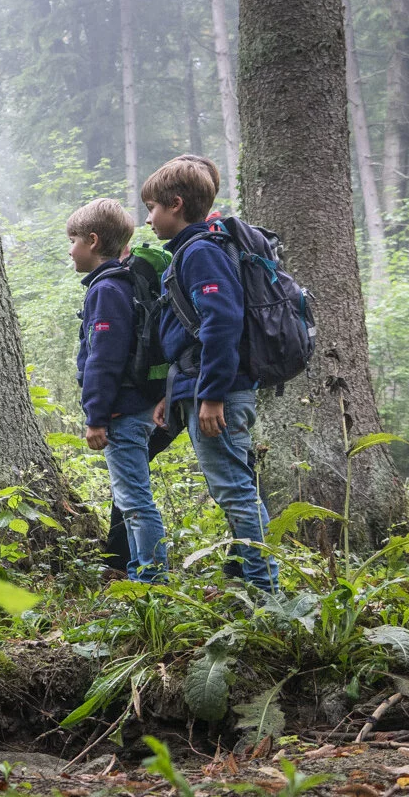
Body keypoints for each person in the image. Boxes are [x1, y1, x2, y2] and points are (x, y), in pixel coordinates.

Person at [144, 155, 280, 593]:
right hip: (200, 386)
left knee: (235, 490)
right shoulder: (192, 251)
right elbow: (188, 337)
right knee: (234, 485)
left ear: (177, 204)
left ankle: (265, 593)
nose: (148, 219)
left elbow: (222, 322)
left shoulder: (200, 252)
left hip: (221, 391)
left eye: (153, 209)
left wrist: (213, 395)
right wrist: (176, 392)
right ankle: (244, 580)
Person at [67, 198, 171, 583]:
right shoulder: (119, 284)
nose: (70, 248)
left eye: (74, 239)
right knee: (131, 497)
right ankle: (137, 570)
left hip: (122, 412)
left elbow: (103, 360)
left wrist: (96, 416)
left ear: (93, 241)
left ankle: (152, 579)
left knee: (134, 500)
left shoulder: (106, 290)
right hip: (136, 405)